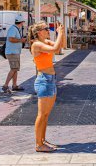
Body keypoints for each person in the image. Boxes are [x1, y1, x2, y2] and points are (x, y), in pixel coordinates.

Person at [29, 21, 64, 152]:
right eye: (45, 29)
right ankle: (38, 144)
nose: (48, 30)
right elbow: (55, 49)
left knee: (46, 114)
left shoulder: (45, 42)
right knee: (41, 114)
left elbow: (60, 47)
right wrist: (59, 33)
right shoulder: (37, 44)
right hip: (44, 80)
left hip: (50, 79)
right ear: (39, 32)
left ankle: (42, 140)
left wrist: (61, 33)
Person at [2, 15, 27, 93]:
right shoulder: (13, 29)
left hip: (14, 52)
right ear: (21, 22)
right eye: (23, 22)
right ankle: (5, 86)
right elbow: (11, 39)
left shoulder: (16, 28)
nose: (23, 24)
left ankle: (14, 85)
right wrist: (21, 40)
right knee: (13, 69)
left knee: (15, 69)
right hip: (12, 53)